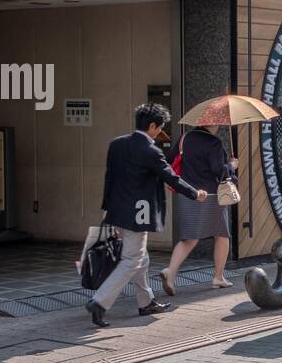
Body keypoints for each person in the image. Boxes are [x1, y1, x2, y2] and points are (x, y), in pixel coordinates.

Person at [87, 103, 207, 328]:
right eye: (159, 128)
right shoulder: (151, 151)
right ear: (152, 126)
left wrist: (107, 208)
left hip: (116, 210)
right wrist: (196, 194)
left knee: (141, 259)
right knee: (132, 260)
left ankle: (146, 302)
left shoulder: (117, 144)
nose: (160, 133)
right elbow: (172, 178)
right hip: (138, 214)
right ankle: (99, 302)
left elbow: (109, 178)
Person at [159, 126, 238, 296]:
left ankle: (170, 273)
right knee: (222, 235)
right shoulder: (213, 142)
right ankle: (218, 277)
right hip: (210, 195)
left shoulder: (185, 138)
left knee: (189, 238)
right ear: (213, 124)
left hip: (186, 193)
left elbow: (168, 160)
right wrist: (231, 165)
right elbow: (219, 171)